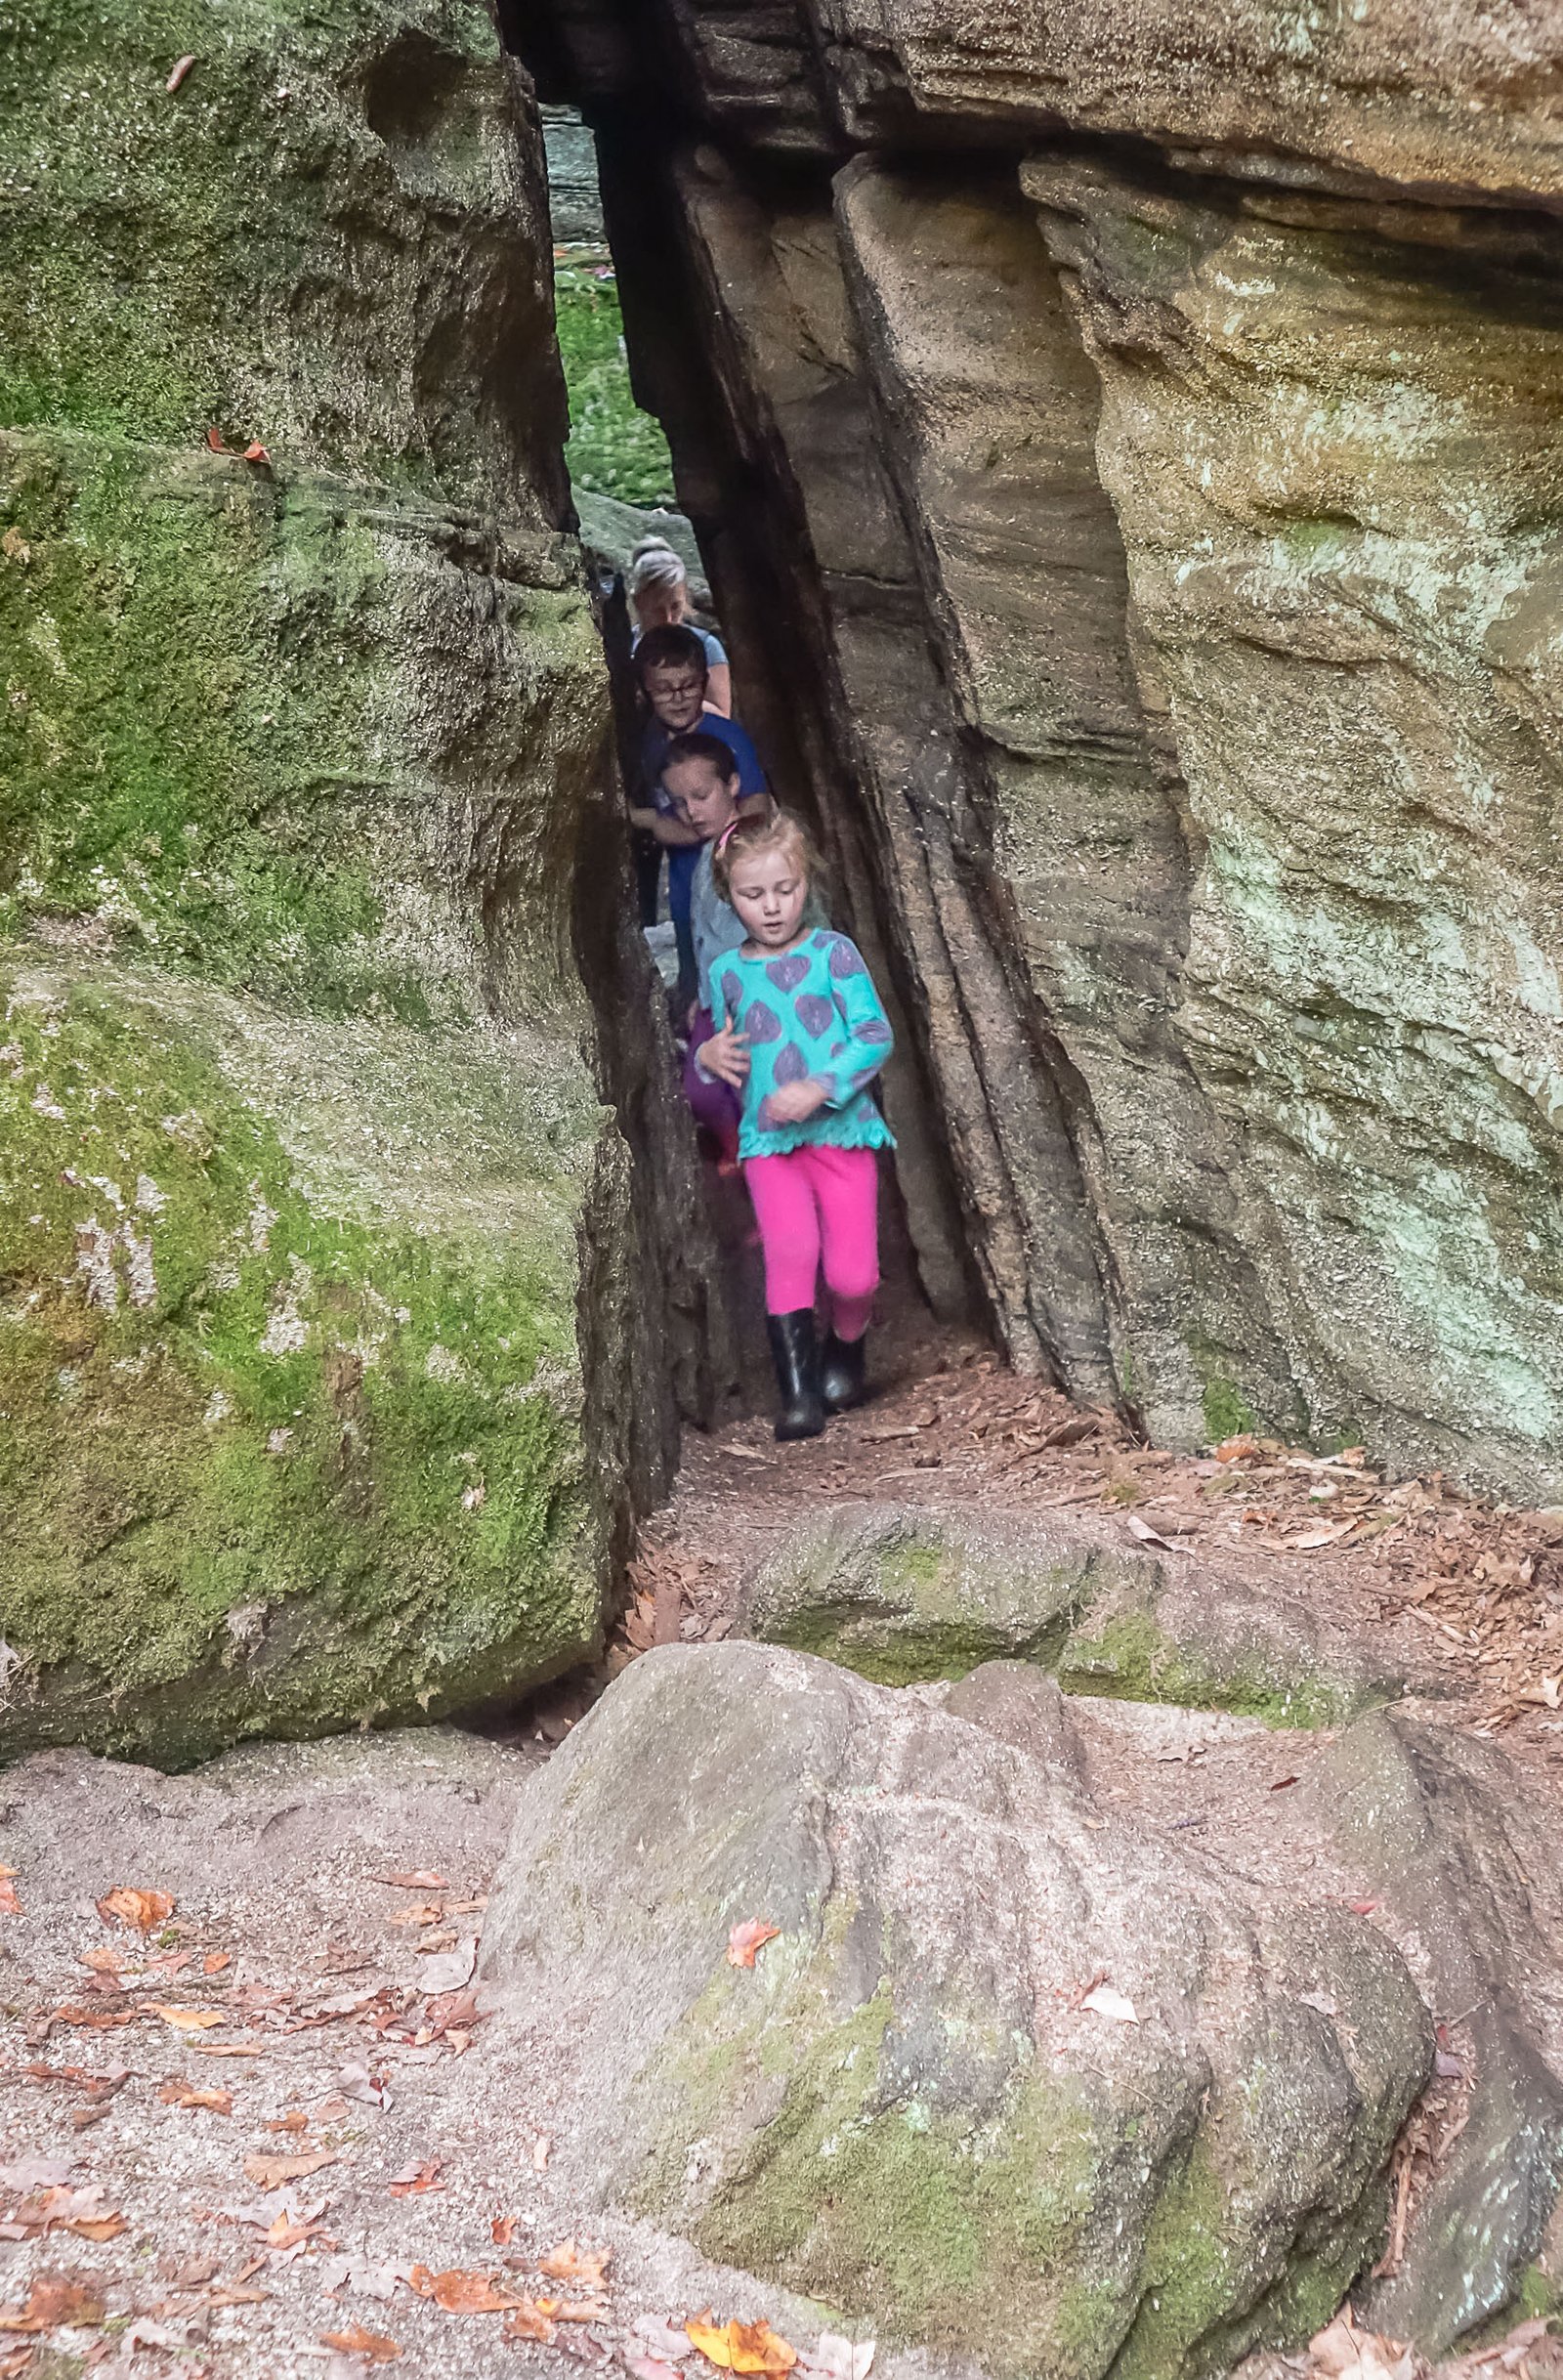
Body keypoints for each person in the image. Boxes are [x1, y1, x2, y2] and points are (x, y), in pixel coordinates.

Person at [698, 810, 894, 1441]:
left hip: (843, 1132)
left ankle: (846, 1343)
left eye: (787, 889)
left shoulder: (833, 953)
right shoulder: (726, 971)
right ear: (729, 896)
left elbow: (872, 1033)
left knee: (852, 1275)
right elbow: (708, 1038)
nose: (774, 907)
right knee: (789, 1253)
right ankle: (799, 1394)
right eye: (754, 895)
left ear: (807, 881)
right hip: (768, 1141)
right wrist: (705, 1055)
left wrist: (821, 1085)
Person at [628, 626, 767, 1008]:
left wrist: (653, 823)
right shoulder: (650, 740)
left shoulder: (726, 737)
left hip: (727, 886)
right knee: (694, 970)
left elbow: (756, 807)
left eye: (688, 686)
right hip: (685, 885)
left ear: (705, 681)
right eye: (664, 689)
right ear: (643, 691)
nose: (678, 698)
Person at [661, 730, 749, 1167]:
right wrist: (702, 996)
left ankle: (754, 1161)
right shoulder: (705, 852)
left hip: (751, 995)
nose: (691, 812)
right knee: (703, 1088)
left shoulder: (750, 850)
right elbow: (706, 938)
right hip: (716, 997)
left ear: (733, 784)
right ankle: (740, 1151)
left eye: (701, 795)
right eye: (679, 803)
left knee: (744, 1087)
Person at [627, 536, 732, 714]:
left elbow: (722, 715)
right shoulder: (625, 646)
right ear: (638, 602)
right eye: (657, 609)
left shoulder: (707, 646)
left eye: (675, 606)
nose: (668, 619)